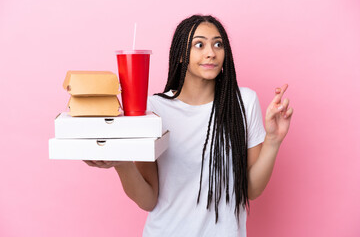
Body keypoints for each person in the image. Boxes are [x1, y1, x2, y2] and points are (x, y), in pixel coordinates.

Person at [84, 14, 293, 237]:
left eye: (218, 44)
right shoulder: (154, 109)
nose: (211, 52)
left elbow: (252, 189)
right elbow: (148, 199)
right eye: (199, 44)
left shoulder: (243, 102)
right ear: (181, 55)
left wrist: (273, 140)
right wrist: (121, 163)